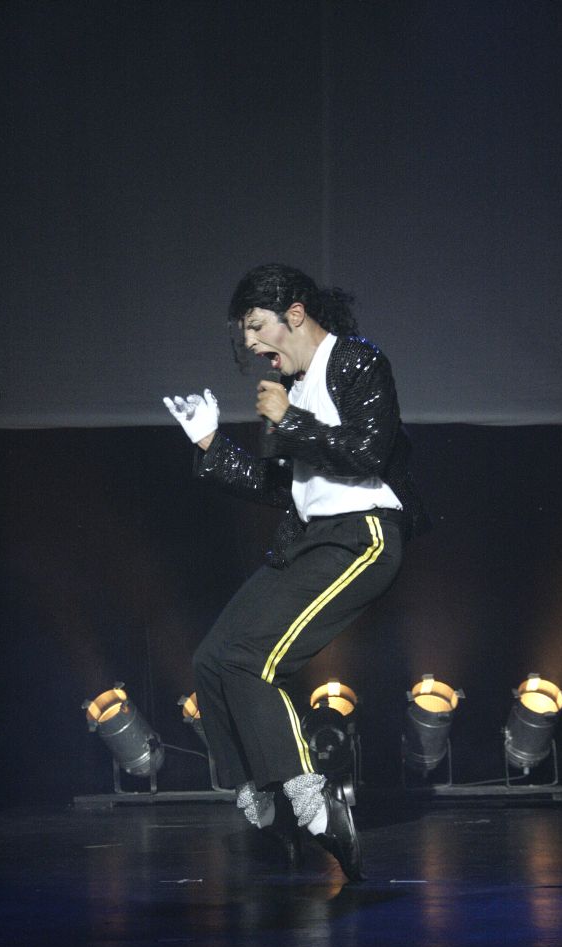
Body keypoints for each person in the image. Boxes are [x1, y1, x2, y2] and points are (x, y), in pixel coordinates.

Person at [163, 263, 429, 882]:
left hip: (361, 533)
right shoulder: (291, 390)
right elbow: (280, 486)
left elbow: (368, 450)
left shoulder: (355, 360)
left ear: (296, 313)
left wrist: (290, 420)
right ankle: (268, 801)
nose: (251, 342)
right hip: (311, 539)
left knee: (251, 660)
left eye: (258, 326)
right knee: (214, 659)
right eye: (244, 332)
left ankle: (317, 803)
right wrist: (211, 447)